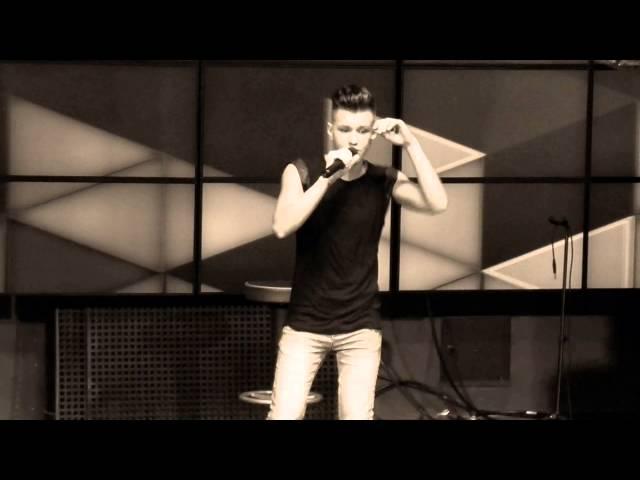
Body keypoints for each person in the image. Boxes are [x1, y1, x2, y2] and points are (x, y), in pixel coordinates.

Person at [269, 84, 448, 420]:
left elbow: (437, 203)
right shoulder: (302, 171)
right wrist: (328, 177)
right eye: (346, 129)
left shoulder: (383, 179)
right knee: (284, 415)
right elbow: (282, 226)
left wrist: (411, 144)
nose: (353, 139)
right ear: (331, 130)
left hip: (360, 325)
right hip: (305, 323)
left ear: (372, 133)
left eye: (363, 131)